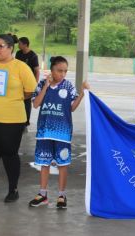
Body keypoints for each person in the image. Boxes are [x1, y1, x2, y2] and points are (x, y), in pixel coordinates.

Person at [28, 56, 89, 208]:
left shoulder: (68, 86)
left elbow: (72, 107)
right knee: (44, 163)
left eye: (65, 71)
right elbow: (36, 104)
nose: (62, 74)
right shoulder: (43, 84)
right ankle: (43, 194)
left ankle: (62, 195)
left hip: (62, 133)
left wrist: (82, 92)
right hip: (44, 132)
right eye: (59, 70)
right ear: (52, 70)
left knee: (62, 164)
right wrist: (45, 86)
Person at [0, 34, 37, 202]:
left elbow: (30, 90)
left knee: (9, 154)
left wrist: (14, 98)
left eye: (0, 46)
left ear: (10, 48)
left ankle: (13, 189)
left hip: (12, 119)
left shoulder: (21, 67)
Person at [16, 37, 40, 130]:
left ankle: (26, 122)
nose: (18, 45)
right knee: (19, 101)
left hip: (29, 83)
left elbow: (37, 70)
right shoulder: (18, 53)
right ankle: (18, 119)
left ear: (25, 44)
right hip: (19, 83)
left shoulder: (33, 55)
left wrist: (35, 83)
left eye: (20, 43)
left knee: (26, 102)